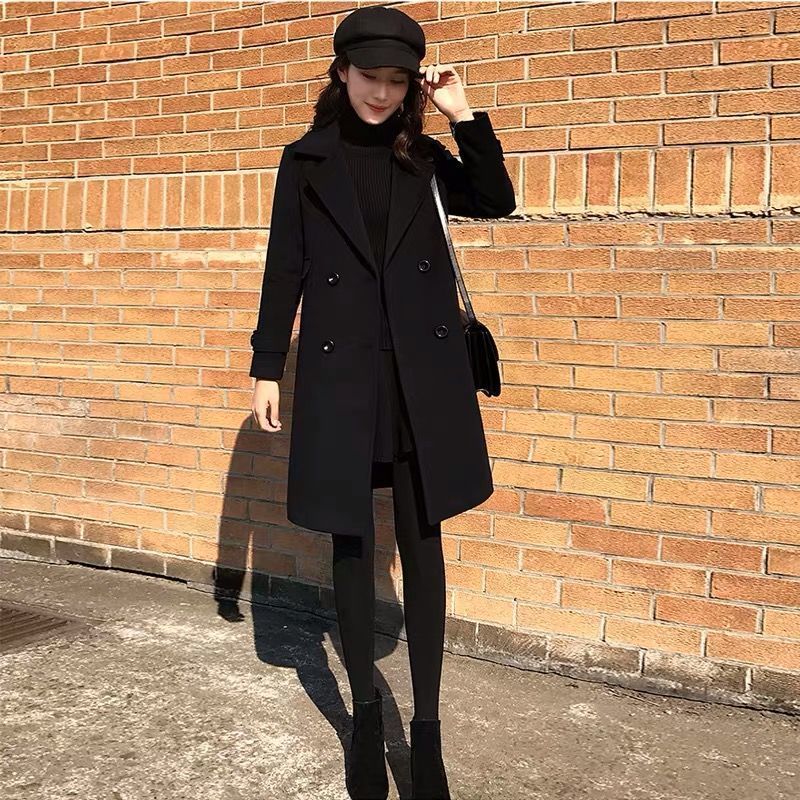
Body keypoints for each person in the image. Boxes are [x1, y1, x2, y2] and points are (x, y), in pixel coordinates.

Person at [249, 6, 515, 799]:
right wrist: (267, 366)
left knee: (423, 542)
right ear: (341, 73)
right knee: (353, 540)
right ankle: (366, 717)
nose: (382, 93)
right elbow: (284, 267)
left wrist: (462, 114)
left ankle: (426, 732)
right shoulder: (305, 161)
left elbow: (496, 199)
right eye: (370, 77)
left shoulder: (423, 158)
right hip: (343, 378)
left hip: (419, 380)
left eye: (398, 81)